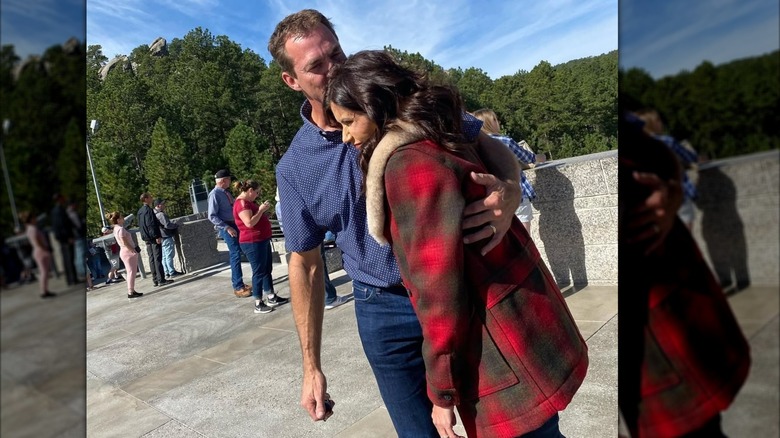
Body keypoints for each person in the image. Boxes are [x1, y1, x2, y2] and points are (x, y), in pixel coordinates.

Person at [269, 10, 523, 435]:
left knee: (506, 421)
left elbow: (488, 145)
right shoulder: (295, 168)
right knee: (418, 431)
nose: (333, 69)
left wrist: (510, 191)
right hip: (383, 308)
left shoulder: (397, 102)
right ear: (291, 81)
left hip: (460, 285)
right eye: (315, 65)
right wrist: (311, 366)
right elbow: (306, 263)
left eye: (335, 53)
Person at [325, 49, 588, 438]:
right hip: (527, 320)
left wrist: (441, 391)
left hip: (500, 341)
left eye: (349, 121)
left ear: (376, 106)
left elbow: (439, 291)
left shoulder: (409, 164)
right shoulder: (438, 129)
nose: (345, 136)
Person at [618, 108, 750, 438]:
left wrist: (672, 187)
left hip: (663, 314)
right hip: (658, 311)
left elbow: (661, 156)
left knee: (695, 427)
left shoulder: (645, 141)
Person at [275, 188, 351, 310]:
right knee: (318, 264)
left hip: (294, 226)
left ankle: (316, 298)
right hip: (303, 223)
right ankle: (329, 298)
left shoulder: (281, 201)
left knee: (306, 265)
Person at [473, 108, 545, 235]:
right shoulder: (505, 141)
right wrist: (540, 157)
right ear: (491, 122)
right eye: (495, 119)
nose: (498, 122)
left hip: (491, 197)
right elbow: (528, 158)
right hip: (517, 195)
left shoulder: (474, 146)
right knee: (524, 235)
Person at [635, 108, 699, 231]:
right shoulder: (667, 142)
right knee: (686, 229)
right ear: (651, 123)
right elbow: (690, 157)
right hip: (676, 193)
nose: (661, 123)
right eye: (657, 120)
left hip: (653, 197)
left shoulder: (637, 146)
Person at [232, 179, 289, 313]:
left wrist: (263, 213)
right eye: (257, 192)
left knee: (266, 269)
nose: (258, 195)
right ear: (250, 190)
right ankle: (258, 302)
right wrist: (260, 211)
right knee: (258, 272)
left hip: (261, 239)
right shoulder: (241, 204)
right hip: (252, 242)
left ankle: (271, 295)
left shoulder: (249, 202)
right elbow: (249, 223)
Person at [208, 169, 251, 298]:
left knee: (240, 252)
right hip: (227, 226)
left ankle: (240, 283)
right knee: (235, 254)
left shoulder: (225, 193)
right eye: (229, 179)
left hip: (234, 224)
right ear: (223, 180)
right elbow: (212, 216)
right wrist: (227, 227)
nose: (230, 182)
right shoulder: (215, 194)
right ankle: (238, 286)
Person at [138, 192, 172, 287]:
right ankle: (161, 279)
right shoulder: (148, 210)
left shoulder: (140, 211)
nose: (152, 198)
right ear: (145, 199)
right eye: (150, 197)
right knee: (157, 258)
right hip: (153, 237)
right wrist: (156, 236)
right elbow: (151, 224)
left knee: (152, 259)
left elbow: (141, 226)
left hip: (146, 238)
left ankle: (155, 279)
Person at [19, 211, 56, 298]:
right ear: (31, 219)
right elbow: (37, 241)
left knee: (44, 271)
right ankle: (43, 291)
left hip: (38, 251)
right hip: (41, 251)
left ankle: (44, 290)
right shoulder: (33, 229)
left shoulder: (29, 228)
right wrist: (45, 248)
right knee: (44, 272)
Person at [107, 211, 143, 298]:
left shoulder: (116, 228)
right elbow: (124, 241)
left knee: (131, 271)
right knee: (131, 272)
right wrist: (132, 250)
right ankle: (130, 291)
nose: (123, 218)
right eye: (122, 217)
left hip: (124, 251)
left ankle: (132, 290)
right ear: (118, 220)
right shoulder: (121, 229)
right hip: (128, 252)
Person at [50, 194, 79, 285]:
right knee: (69, 258)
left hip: (62, 238)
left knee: (66, 258)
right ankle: (72, 279)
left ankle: (70, 279)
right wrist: (68, 237)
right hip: (66, 238)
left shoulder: (55, 211)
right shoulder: (60, 210)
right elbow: (63, 225)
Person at [153, 199, 183, 279]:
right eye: (163, 204)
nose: (164, 206)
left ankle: (166, 272)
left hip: (160, 237)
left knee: (164, 256)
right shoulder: (161, 215)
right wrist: (176, 225)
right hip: (166, 236)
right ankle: (172, 271)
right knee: (169, 255)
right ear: (159, 205)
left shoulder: (153, 214)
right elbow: (167, 225)